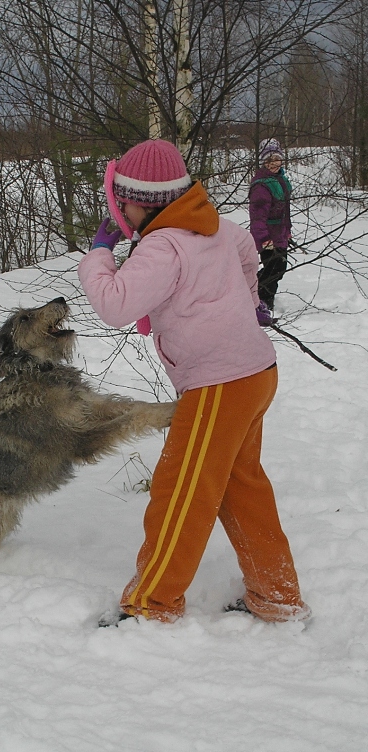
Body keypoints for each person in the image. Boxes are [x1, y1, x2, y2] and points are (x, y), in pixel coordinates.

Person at [78, 139, 311, 626]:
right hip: (254, 375)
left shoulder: (163, 246)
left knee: (181, 490)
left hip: (218, 386)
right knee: (238, 486)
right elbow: (249, 255)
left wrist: (101, 252)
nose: (117, 212)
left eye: (120, 204)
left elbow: (115, 304)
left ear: (141, 202)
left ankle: (152, 604)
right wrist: (249, 306)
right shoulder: (219, 228)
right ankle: (277, 595)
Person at [249, 138, 292, 311]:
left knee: (278, 268)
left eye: (276, 159)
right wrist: (264, 238)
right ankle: (262, 302)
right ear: (263, 163)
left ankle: (255, 295)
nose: (273, 163)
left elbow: (284, 210)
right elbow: (257, 217)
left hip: (279, 233)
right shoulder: (262, 186)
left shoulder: (280, 179)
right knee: (273, 269)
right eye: (268, 160)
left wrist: (287, 231)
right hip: (268, 235)